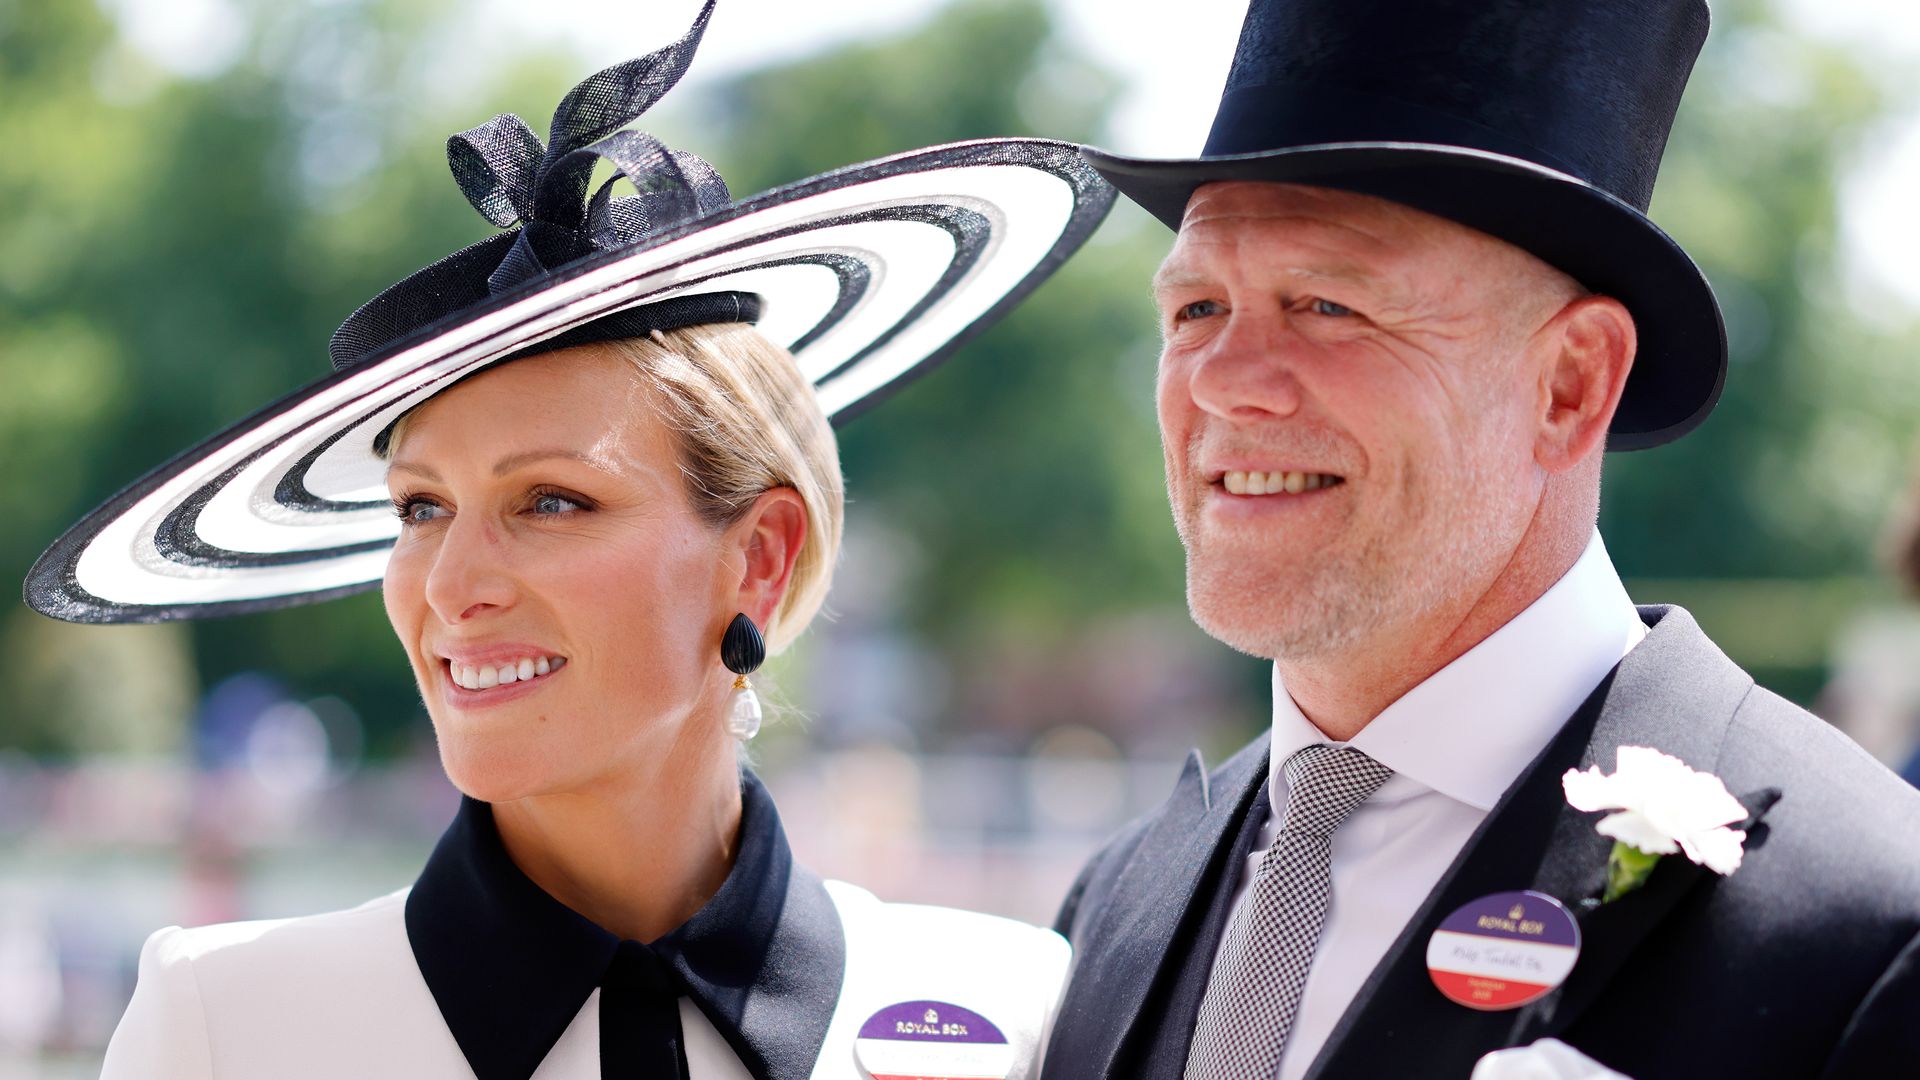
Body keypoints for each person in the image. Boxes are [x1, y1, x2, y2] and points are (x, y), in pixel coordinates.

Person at [23, 4, 1115, 1077]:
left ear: (762, 558)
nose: (449, 587)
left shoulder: (1010, 1008)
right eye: (419, 508)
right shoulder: (229, 1026)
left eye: (550, 501)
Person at [1041, 1, 1920, 1078]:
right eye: (1194, 311)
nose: (1221, 379)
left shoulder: (1871, 930)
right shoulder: (1118, 904)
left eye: (1326, 304)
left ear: (1571, 383)